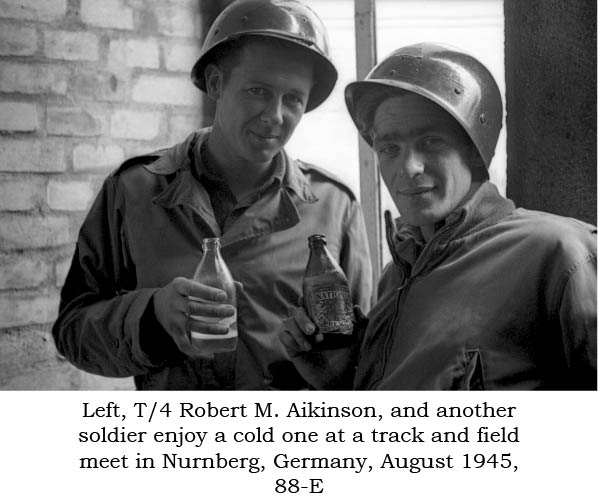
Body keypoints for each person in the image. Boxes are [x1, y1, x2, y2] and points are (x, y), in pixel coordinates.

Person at [52, 0, 372, 390]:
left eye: (293, 99)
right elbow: (73, 332)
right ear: (217, 83)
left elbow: (364, 363)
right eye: (257, 90)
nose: (275, 114)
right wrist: (154, 319)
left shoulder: (334, 206)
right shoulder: (133, 191)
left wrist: (326, 366)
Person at [281, 42, 597, 390]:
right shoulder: (396, 277)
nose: (409, 167)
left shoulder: (560, 253)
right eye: (389, 149)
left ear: (475, 152)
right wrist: (340, 379)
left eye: (431, 142)